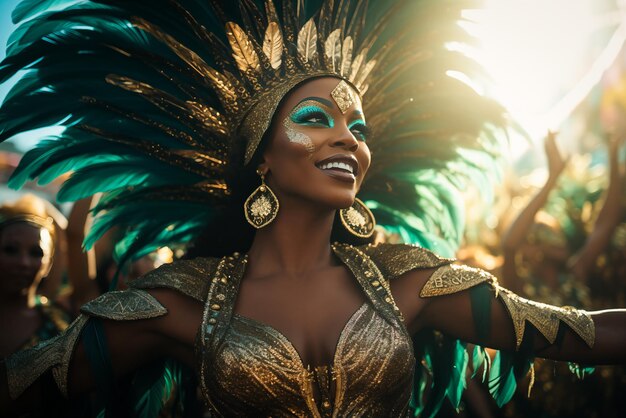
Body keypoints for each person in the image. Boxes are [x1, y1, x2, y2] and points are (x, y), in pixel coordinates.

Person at [0, 1, 625, 417]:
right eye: (313, 119)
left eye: (358, 126)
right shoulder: (180, 300)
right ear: (261, 157)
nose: (349, 139)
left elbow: (580, 332)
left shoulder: (408, 282)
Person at [0, 194, 71, 358]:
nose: (23, 263)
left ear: (49, 263)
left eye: (36, 253)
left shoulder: (58, 326)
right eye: (11, 250)